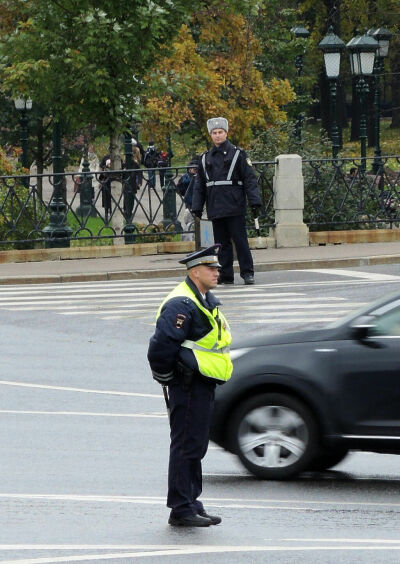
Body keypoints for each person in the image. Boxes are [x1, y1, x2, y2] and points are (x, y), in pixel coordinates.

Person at [147, 244, 233, 528]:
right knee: (186, 445)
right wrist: (166, 376)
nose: (216, 272)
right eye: (211, 268)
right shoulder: (181, 304)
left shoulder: (202, 298)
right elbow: (160, 346)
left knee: (195, 445)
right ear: (195, 272)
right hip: (187, 382)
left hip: (202, 382)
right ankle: (181, 508)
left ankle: (192, 501)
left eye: (217, 268)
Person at [191, 117, 261, 285]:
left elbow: (249, 179)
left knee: (240, 240)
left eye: (220, 132)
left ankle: (247, 272)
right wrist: (197, 206)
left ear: (226, 133)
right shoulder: (204, 158)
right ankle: (226, 274)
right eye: (214, 133)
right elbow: (200, 184)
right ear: (210, 135)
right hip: (215, 205)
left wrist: (254, 201)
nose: (217, 136)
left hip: (234, 204)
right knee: (221, 244)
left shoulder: (238, 154)